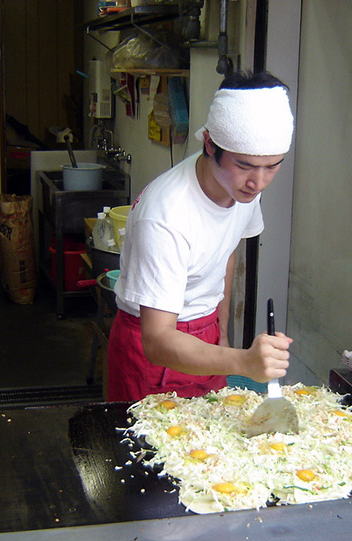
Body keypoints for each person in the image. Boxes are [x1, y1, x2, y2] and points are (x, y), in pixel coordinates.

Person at [107, 70, 295, 403]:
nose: (259, 182)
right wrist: (243, 361)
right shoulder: (166, 215)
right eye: (246, 165)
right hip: (155, 345)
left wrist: (220, 333)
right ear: (209, 143)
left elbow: (226, 253)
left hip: (205, 333)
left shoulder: (241, 188)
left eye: (273, 166)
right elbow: (158, 340)